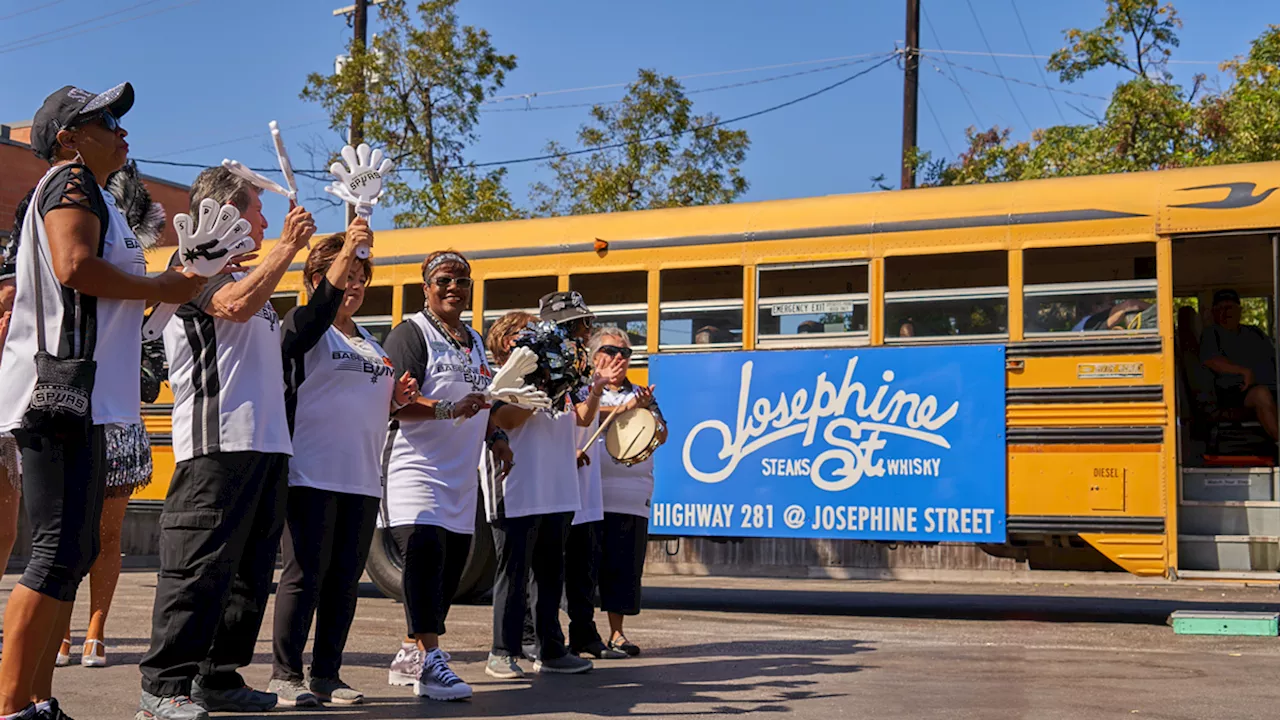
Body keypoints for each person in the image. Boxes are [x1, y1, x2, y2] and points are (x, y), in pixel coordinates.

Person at [0, 82, 203, 720]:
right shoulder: (70, 182)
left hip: (87, 401)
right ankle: (10, 705)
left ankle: (37, 699)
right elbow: (73, 266)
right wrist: (157, 281)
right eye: (105, 120)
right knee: (56, 549)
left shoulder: (101, 196)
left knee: (74, 549)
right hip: (56, 392)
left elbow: (111, 299)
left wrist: (175, 284)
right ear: (67, 137)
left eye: (119, 120)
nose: (121, 131)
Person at [137, 167, 317, 720]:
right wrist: (286, 248)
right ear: (228, 211)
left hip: (266, 444)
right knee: (199, 565)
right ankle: (164, 686)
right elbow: (233, 304)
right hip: (217, 442)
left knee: (248, 571)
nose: (266, 221)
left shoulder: (241, 270)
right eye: (258, 212)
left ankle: (218, 675)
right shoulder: (195, 264)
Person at [267, 223, 416, 706]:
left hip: (361, 478)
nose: (354, 285)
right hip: (310, 473)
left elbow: (360, 402)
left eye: (361, 276)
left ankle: (327, 675)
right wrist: (349, 243)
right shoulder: (303, 325)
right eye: (344, 275)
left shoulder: (370, 339)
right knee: (302, 577)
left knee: (343, 583)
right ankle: (285, 676)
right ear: (315, 279)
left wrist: (396, 401)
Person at [56, 162, 166, 670]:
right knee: (67, 532)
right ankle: (59, 629)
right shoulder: (70, 245)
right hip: (72, 400)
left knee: (106, 532)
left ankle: (96, 631)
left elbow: (152, 353)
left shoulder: (133, 264)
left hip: (120, 414)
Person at [378, 250, 498, 701]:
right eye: (444, 280)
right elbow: (395, 400)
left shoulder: (475, 340)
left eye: (462, 281)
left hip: (462, 475)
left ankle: (409, 655)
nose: (454, 288)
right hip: (415, 468)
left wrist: (498, 435)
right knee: (425, 556)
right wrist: (448, 408)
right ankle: (431, 661)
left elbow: (483, 397)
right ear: (426, 287)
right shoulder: (412, 333)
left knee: (450, 570)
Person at [481, 308, 610, 679]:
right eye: (530, 332)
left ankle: (551, 649)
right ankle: (501, 651)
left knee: (551, 574)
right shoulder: (501, 379)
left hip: (556, 487)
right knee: (514, 571)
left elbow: (581, 418)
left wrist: (594, 388)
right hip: (516, 487)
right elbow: (505, 419)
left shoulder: (555, 378)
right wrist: (541, 384)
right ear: (510, 342)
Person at [535, 293, 627, 661]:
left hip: (581, 488)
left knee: (582, 565)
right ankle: (537, 639)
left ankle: (584, 634)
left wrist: (601, 386)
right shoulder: (541, 364)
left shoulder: (579, 371)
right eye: (576, 325)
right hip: (551, 482)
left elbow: (584, 416)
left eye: (585, 324)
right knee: (545, 570)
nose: (582, 332)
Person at [589, 326, 668, 656]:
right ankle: (581, 632)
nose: (619, 359)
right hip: (591, 493)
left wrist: (646, 407)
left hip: (632, 494)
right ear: (595, 356)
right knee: (583, 567)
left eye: (625, 353)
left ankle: (617, 632)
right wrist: (622, 408)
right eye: (611, 351)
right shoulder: (585, 390)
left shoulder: (640, 393)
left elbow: (661, 434)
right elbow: (579, 419)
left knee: (624, 567)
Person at [1200, 288, 1278, 441]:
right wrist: (1243, 371)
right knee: (1261, 395)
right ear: (1213, 313)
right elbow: (1210, 360)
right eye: (1219, 309)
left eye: (1229, 307)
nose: (1225, 312)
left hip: (1271, 386)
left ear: (1239, 310)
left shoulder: (1255, 332)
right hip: (1235, 392)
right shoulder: (1212, 334)